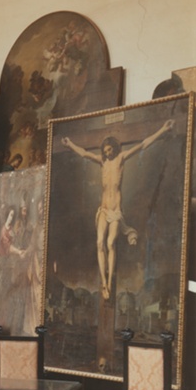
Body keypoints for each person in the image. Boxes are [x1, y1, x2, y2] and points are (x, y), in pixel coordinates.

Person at [61, 119, 174, 300]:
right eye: (105, 151)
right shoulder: (102, 162)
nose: (108, 153)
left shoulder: (121, 158)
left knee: (111, 243)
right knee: (99, 243)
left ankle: (110, 280)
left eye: (110, 150)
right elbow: (84, 154)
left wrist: (163, 128)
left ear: (114, 148)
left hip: (115, 211)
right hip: (104, 210)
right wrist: (70, 144)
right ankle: (104, 282)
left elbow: (143, 144)